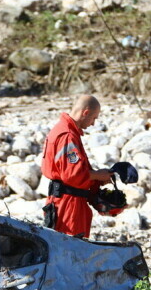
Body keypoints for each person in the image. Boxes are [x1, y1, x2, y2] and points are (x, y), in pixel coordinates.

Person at [40, 95, 114, 238]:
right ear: (85, 112)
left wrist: (96, 180)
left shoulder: (64, 130)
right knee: (70, 250)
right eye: (94, 118)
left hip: (63, 201)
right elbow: (73, 175)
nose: (93, 123)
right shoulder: (67, 135)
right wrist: (98, 175)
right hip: (69, 206)